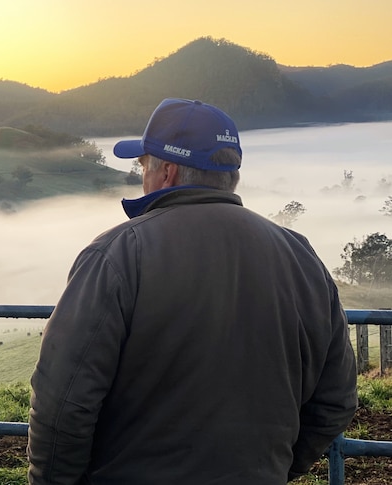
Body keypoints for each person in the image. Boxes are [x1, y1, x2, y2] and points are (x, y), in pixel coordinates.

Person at [27, 98, 357, 484]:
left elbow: (63, 404)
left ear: (166, 172)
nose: (142, 176)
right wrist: (279, 467)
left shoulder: (118, 254)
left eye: (143, 166)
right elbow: (336, 399)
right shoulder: (301, 257)